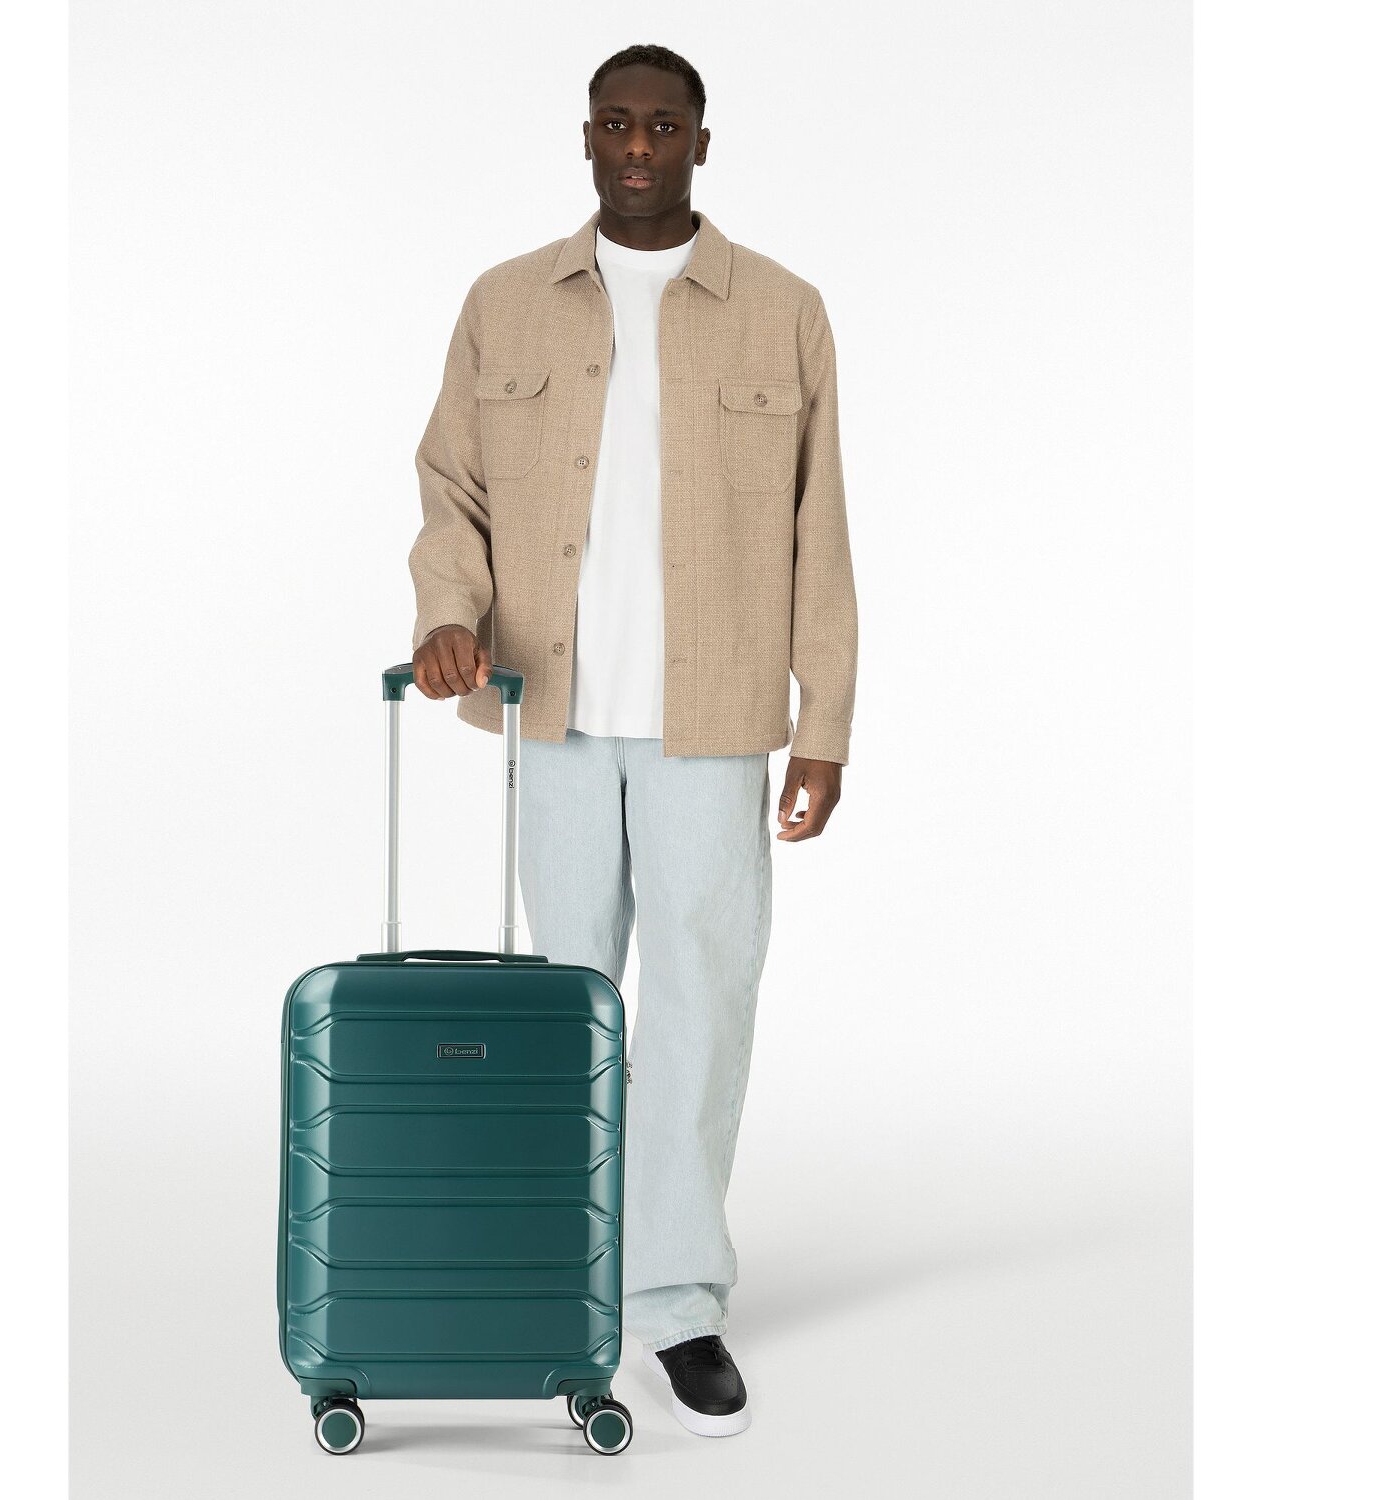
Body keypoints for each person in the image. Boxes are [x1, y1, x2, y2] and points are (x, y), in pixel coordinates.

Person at [406, 43, 858, 1438]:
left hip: (712, 723)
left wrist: (824, 722)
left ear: (702, 143)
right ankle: (560, 1269)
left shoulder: (782, 311)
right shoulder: (503, 304)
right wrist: (449, 612)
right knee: (566, 1007)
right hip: (550, 711)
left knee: (702, 1006)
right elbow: (450, 489)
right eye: (619, 123)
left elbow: (821, 527)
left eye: (666, 124)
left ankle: (672, 1300)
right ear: (588, 138)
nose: (642, 145)